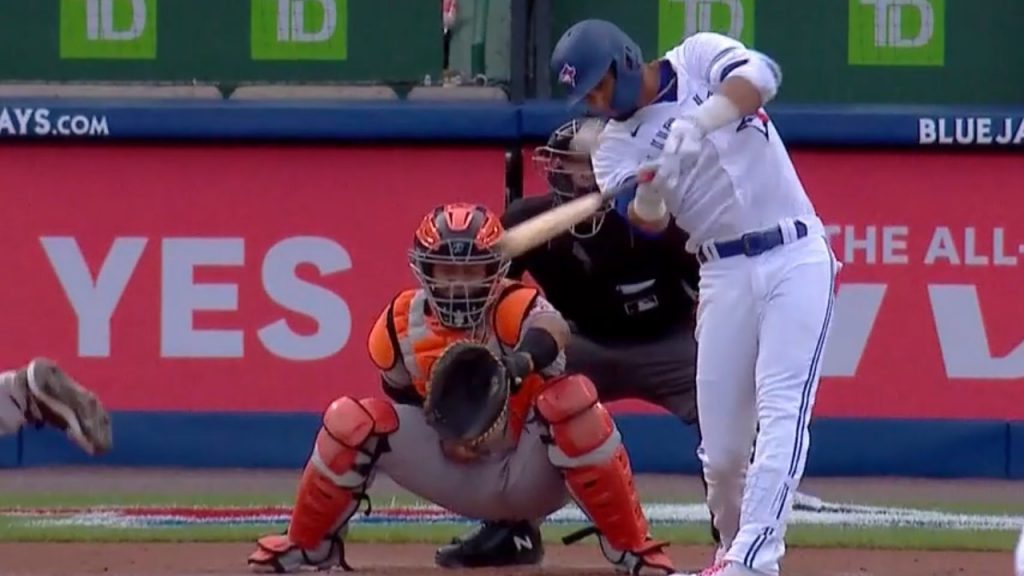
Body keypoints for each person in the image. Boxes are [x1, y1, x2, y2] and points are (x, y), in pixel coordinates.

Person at [435, 118, 822, 570]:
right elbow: (497, 299)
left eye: (588, 167)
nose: (576, 177)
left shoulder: (663, 219)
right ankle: (511, 529)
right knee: (515, 387)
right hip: (582, 342)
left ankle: (739, 541)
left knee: (733, 420)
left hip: (672, 342)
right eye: (568, 166)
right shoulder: (529, 221)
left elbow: (721, 281)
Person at [550, 21, 840, 576]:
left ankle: (754, 561)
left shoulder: (697, 57)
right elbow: (646, 220)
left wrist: (698, 121)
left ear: (624, 61)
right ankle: (731, 550)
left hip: (795, 254)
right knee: (724, 455)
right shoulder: (613, 149)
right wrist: (657, 180)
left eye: (599, 85)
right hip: (723, 272)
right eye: (585, 94)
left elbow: (762, 75)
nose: (596, 100)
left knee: (782, 412)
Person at [247, 203, 675, 575]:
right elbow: (401, 403)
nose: (456, 283)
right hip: (454, 469)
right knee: (351, 418)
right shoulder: (400, 323)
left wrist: (520, 362)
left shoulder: (514, 304)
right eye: (447, 269)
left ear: (494, 269)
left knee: (573, 399)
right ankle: (307, 543)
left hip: (528, 468)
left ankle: (632, 548)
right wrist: (446, 429)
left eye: (470, 270)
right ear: (424, 269)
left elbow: (553, 329)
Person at [0, 357, 112, 455]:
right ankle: (80, 426)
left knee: (38, 399)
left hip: (21, 394)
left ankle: (79, 420)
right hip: (27, 407)